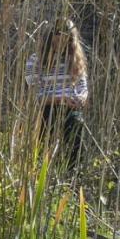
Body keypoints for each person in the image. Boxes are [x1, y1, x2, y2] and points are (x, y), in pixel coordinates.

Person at [24, 17, 89, 168]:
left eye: (65, 35)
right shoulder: (36, 61)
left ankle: (74, 176)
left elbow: (83, 88)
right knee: (44, 148)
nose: (60, 38)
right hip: (48, 110)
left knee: (76, 135)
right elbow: (35, 96)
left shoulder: (75, 60)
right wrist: (59, 99)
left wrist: (80, 98)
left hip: (71, 111)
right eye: (57, 34)